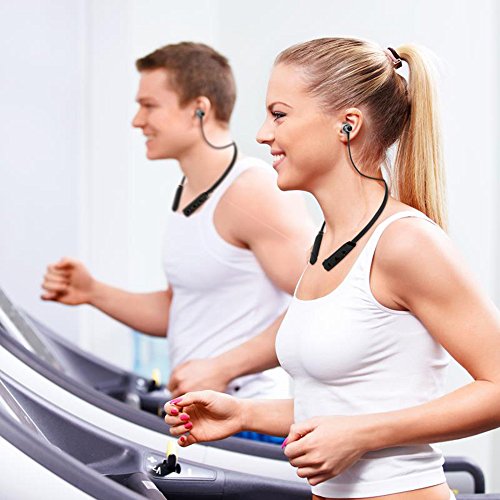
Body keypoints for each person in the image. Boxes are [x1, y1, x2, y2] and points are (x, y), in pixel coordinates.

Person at [164, 37, 500, 499]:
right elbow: (339, 405)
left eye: (279, 114)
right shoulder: (326, 244)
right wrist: (243, 414)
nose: (262, 134)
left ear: (348, 125)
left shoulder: (405, 243)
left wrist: (364, 435)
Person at [41, 42, 315, 441]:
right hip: (201, 420)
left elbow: (322, 302)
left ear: (199, 109)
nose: (138, 120)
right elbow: (181, 309)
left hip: (248, 422)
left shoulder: (253, 191)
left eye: (149, 105)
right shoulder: (191, 192)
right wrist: (92, 292)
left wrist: (224, 367)